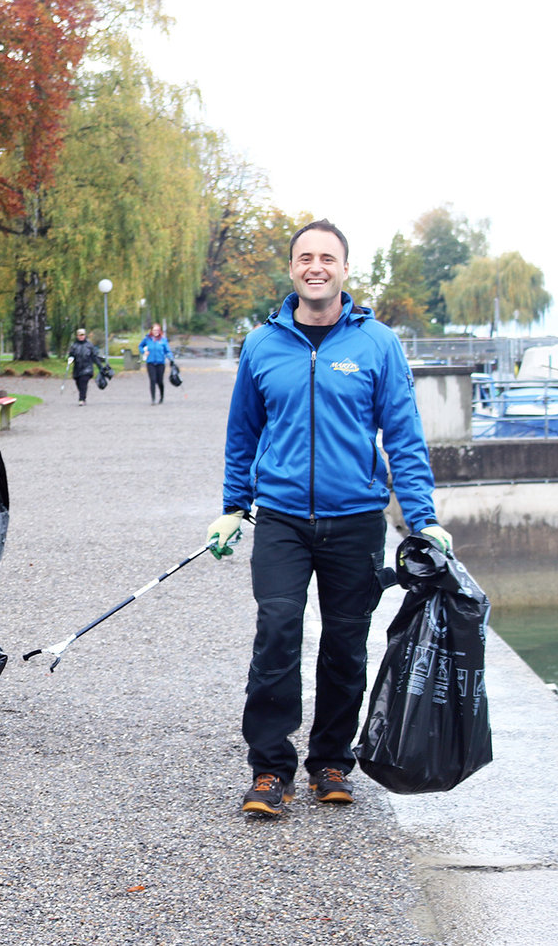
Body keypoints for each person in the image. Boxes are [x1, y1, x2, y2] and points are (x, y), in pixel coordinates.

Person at [207, 219, 453, 817]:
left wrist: (422, 516)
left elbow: (404, 435)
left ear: (345, 269)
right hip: (283, 520)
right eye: (304, 258)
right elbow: (243, 433)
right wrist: (232, 507)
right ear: (291, 270)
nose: (315, 266)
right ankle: (270, 769)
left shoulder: (378, 345)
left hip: (357, 519)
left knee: (345, 645)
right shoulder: (264, 345)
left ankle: (331, 760)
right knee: (277, 632)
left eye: (327, 258)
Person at [139, 322, 173, 405]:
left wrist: (171, 358)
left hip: (160, 363)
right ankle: (153, 399)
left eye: (157, 330)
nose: (156, 332)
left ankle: (161, 396)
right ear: (151, 330)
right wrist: (144, 351)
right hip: (150, 362)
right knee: (152, 380)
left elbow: (167, 351)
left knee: (159, 381)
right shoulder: (147, 339)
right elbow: (140, 346)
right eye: (154, 330)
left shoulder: (163, 340)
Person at [67, 328, 100, 405]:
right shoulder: (74, 346)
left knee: (83, 382)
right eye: (80, 335)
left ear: (85, 335)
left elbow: (94, 356)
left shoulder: (89, 345)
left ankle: (81, 399)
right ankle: (83, 396)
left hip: (87, 368)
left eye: (83, 335)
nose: (81, 337)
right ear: (77, 336)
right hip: (77, 368)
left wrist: (100, 367)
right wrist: (70, 359)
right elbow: (71, 355)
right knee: (78, 383)